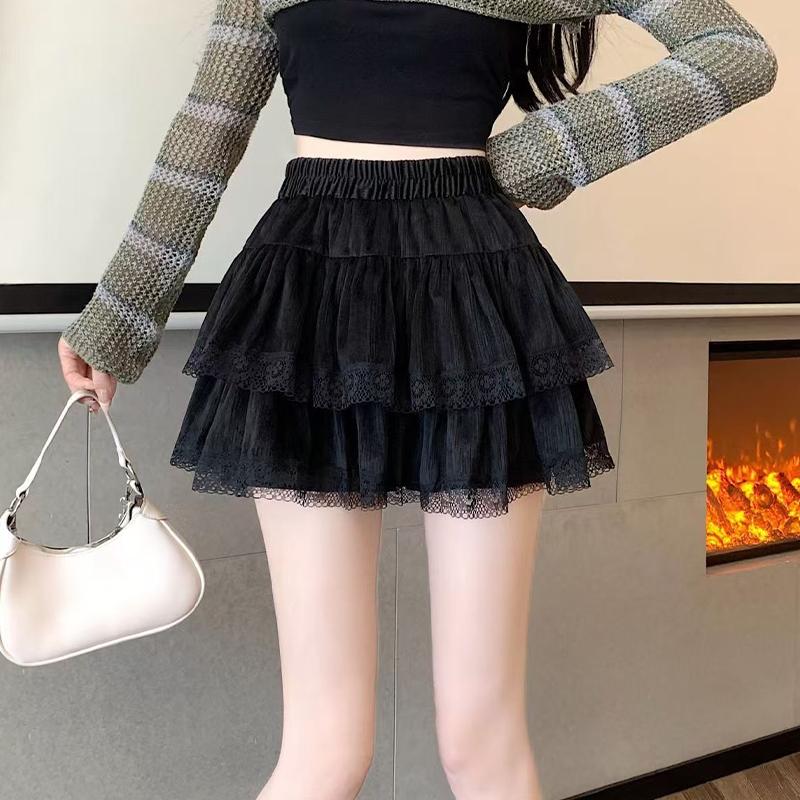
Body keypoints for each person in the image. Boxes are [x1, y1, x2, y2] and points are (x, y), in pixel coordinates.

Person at [57, 1, 777, 798]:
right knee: (327, 749)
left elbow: (735, 51)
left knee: (481, 740)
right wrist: (117, 316)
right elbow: (206, 135)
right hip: (312, 298)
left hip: (475, 293)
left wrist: (544, 150)